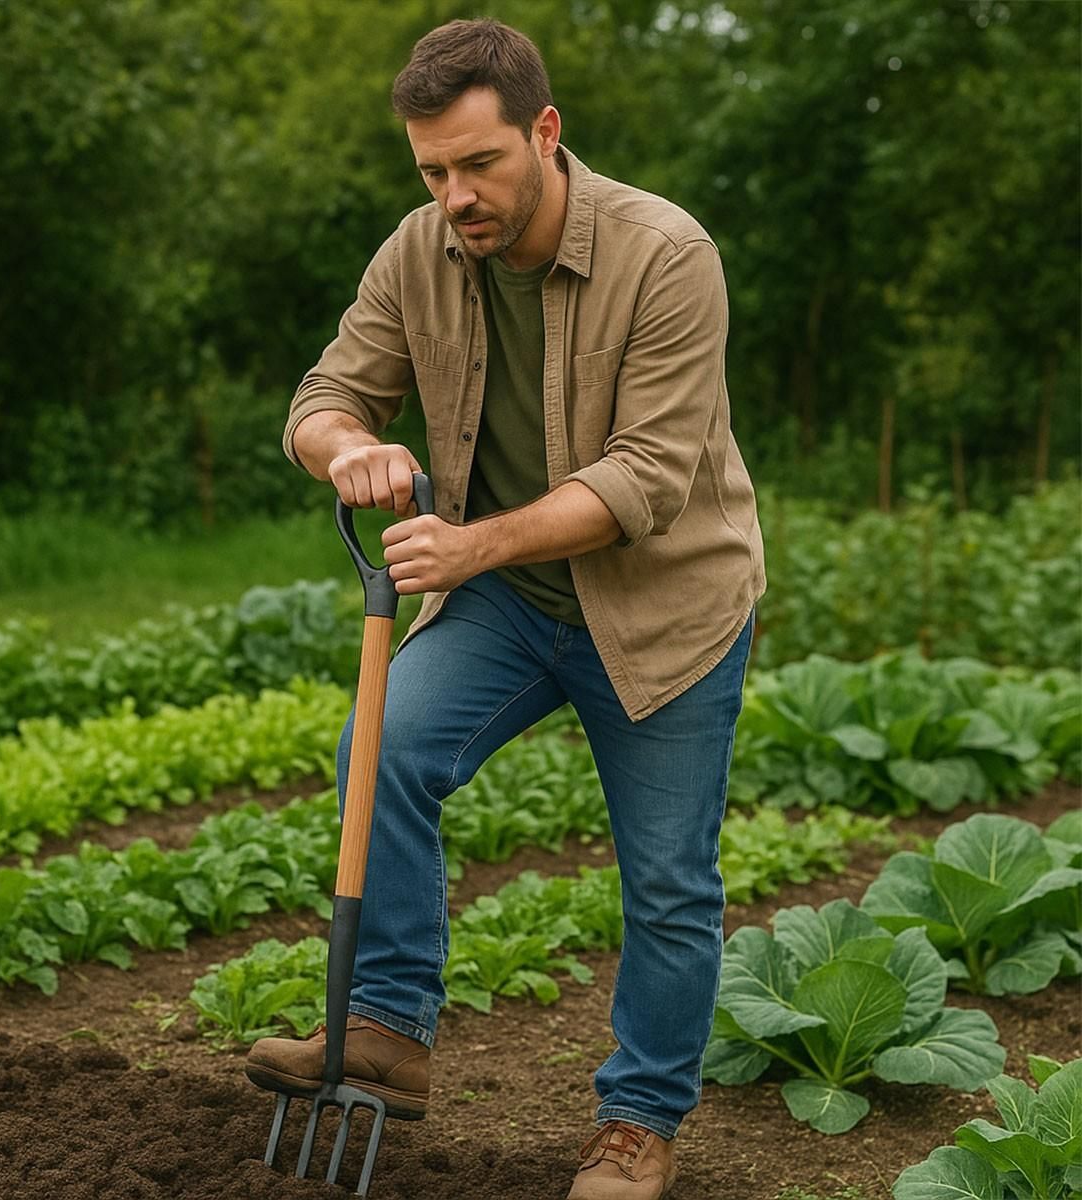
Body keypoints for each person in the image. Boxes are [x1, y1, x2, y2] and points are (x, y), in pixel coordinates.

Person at [245, 18, 766, 1199]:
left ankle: (638, 1125)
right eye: (432, 170)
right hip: (509, 604)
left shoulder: (666, 253)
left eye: (478, 164)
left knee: (670, 882)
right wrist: (349, 451)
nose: (456, 195)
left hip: (665, 609)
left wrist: (472, 541)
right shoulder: (420, 251)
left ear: (544, 131)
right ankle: (385, 1028)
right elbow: (324, 395)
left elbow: (646, 476)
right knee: (384, 755)